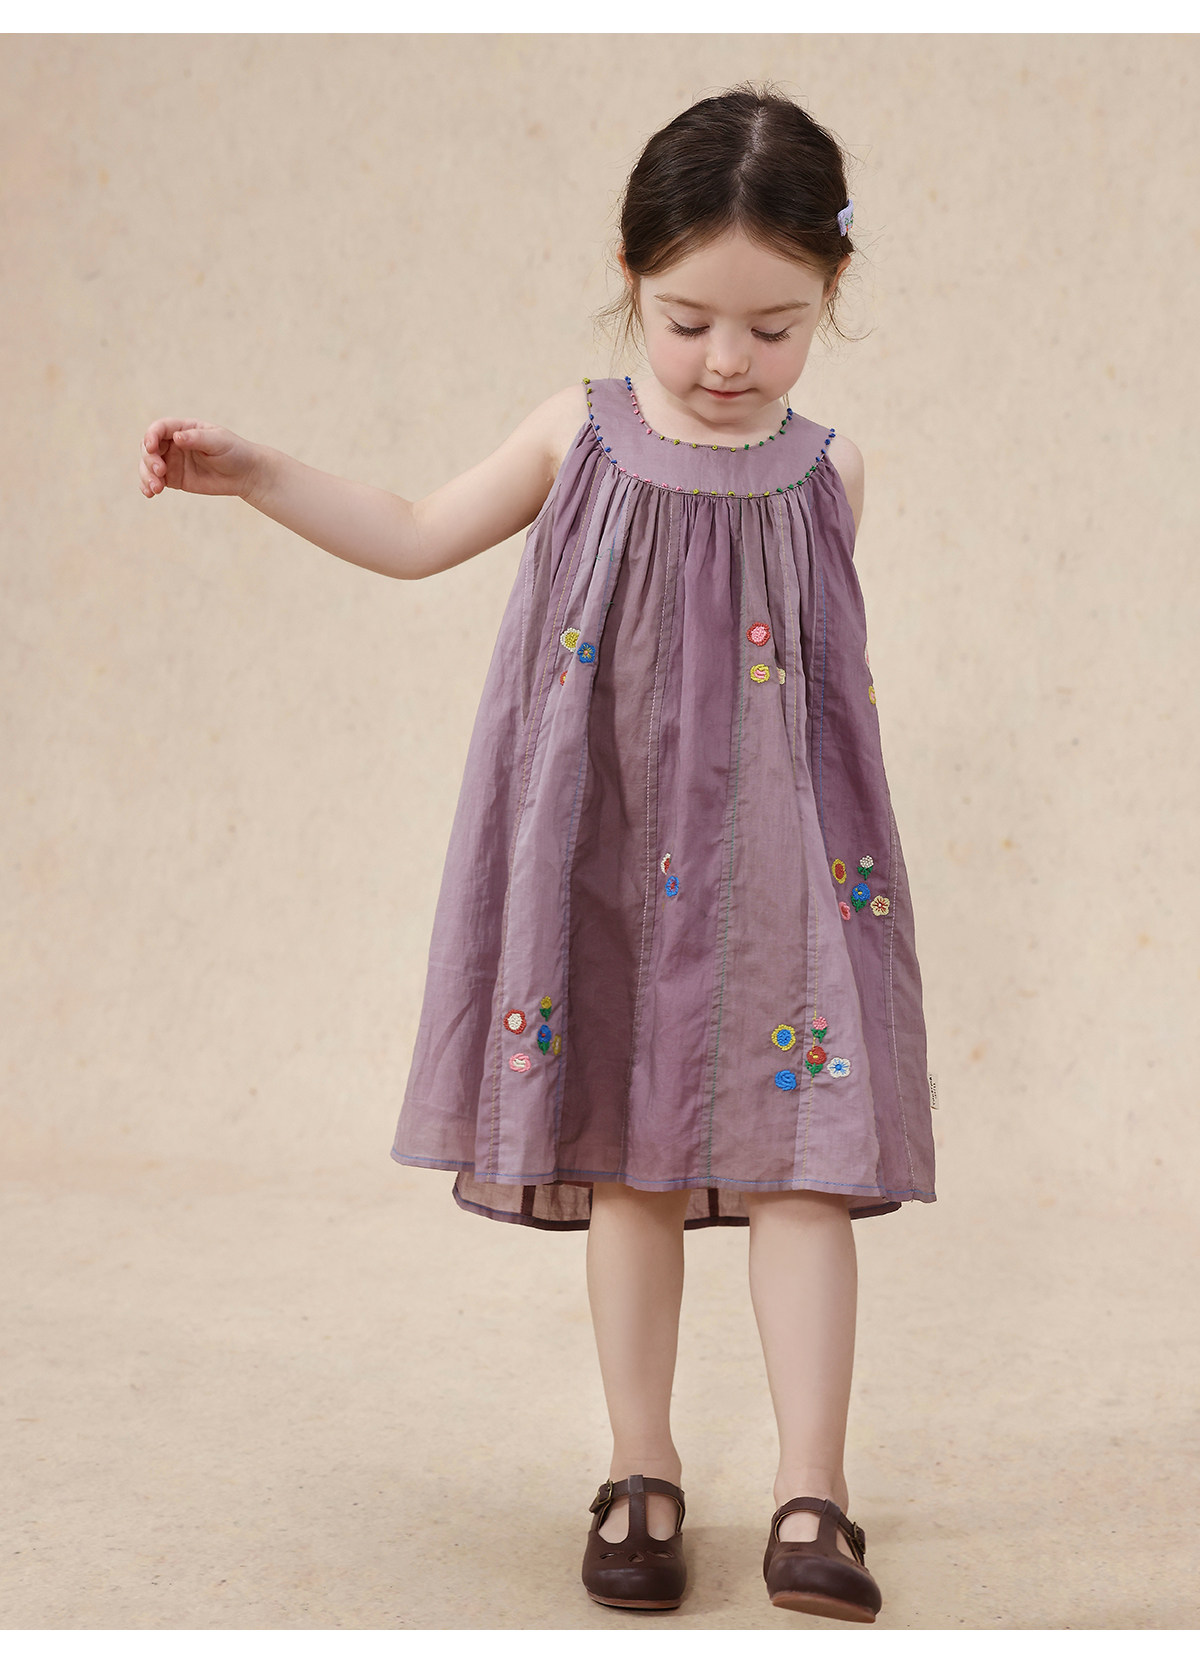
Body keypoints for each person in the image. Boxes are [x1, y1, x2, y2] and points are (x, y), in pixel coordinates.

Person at [137, 80, 936, 1626]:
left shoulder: (832, 474)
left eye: (773, 327)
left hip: (782, 887)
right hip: (611, 865)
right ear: (630, 277)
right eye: (689, 320)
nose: (727, 361)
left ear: (832, 295)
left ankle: (814, 1492)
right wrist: (259, 473)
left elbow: (801, 700)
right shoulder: (581, 435)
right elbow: (416, 528)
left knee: (806, 1176)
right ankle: (641, 1470)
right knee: (630, 1163)